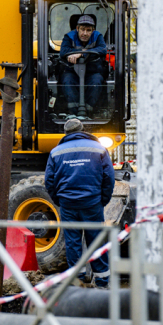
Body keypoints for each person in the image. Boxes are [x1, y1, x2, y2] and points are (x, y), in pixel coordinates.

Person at [44, 118, 115, 287]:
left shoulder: (56, 152)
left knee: (73, 243)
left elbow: (49, 181)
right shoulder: (99, 149)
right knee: (96, 240)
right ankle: (102, 281)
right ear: (82, 130)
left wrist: (60, 200)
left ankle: (77, 280)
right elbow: (109, 178)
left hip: (68, 204)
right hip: (92, 203)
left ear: (66, 133)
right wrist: (102, 200)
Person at [59, 15, 107, 115]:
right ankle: (74, 114)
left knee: (97, 81)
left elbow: (103, 49)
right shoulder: (69, 36)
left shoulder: (98, 36)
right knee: (67, 81)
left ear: (93, 30)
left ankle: (89, 113)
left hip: (92, 71)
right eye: (82, 29)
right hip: (72, 72)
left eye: (88, 30)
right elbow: (63, 52)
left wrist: (81, 53)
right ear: (77, 28)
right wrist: (77, 52)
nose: (85, 33)